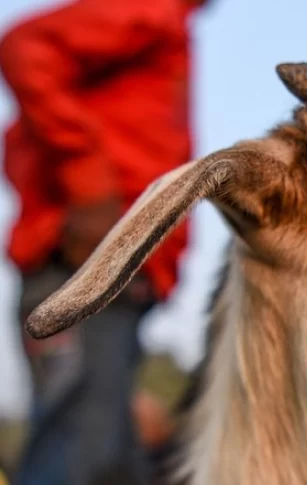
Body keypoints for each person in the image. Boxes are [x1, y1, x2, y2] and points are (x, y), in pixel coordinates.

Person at [0, 0, 211, 482]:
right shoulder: (149, 9)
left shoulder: (169, 23)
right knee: (79, 457)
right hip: (85, 265)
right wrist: (91, 187)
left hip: (118, 276)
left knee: (117, 462)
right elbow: (25, 46)